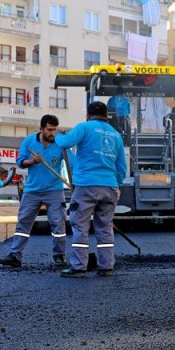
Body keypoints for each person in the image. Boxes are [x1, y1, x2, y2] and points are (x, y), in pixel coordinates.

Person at [52, 101, 127, 278]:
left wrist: (57, 135)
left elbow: (66, 142)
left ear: (88, 114)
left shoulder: (84, 127)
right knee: (105, 227)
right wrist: (116, 184)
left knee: (80, 226)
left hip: (86, 185)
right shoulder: (115, 135)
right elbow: (121, 166)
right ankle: (106, 266)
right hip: (109, 186)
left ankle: (78, 267)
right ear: (106, 115)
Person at [0, 114, 69, 268]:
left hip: (54, 190)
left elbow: (71, 163)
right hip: (32, 190)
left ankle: (59, 255)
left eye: (55, 129)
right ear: (41, 129)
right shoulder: (29, 141)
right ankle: (15, 255)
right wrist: (32, 161)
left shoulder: (60, 142)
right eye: (49, 129)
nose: (52, 133)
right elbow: (20, 162)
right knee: (24, 222)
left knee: (58, 223)